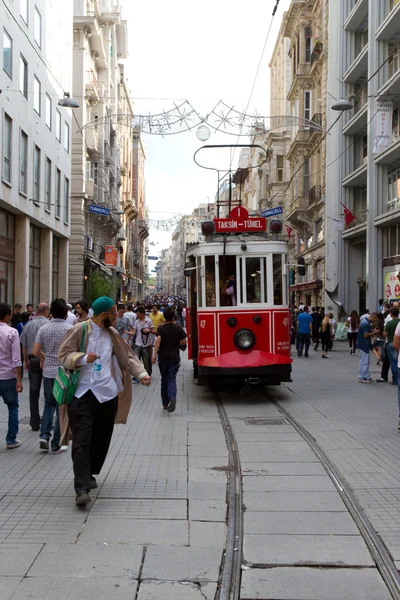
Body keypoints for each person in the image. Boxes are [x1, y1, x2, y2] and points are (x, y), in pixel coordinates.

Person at [58, 296, 151, 507]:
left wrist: (142, 374)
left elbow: (128, 357)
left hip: (107, 395)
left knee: (101, 438)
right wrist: (82, 358)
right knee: (81, 440)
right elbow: (63, 354)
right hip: (82, 393)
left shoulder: (112, 334)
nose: (117, 315)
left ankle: (89, 472)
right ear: (103, 314)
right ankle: (81, 487)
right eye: (114, 312)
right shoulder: (80, 330)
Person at [32, 298, 72, 453]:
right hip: (64, 372)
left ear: (51, 312)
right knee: (61, 407)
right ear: (66, 313)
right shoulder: (70, 329)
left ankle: (44, 435)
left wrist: (45, 357)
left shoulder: (44, 328)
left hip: (48, 371)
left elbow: (35, 352)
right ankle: (56, 443)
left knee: (48, 404)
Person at [20, 302, 49, 431]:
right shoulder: (49, 324)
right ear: (46, 311)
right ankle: (47, 420)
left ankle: (34, 421)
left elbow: (24, 346)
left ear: (37, 311)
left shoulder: (28, 325)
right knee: (48, 393)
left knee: (33, 391)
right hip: (47, 360)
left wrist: (26, 360)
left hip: (33, 359)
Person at [152, 307, 187, 412]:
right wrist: (176, 343)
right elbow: (184, 342)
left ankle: (165, 403)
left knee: (164, 379)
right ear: (173, 316)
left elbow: (158, 340)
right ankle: (172, 396)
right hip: (174, 358)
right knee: (172, 378)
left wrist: (154, 355)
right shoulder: (178, 328)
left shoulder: (161, 328)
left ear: (164, 317)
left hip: (163, 358)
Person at [0, 303, 23, 449]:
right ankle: (11, 439)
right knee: (13, 407)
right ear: (8, 315)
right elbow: (16, 358)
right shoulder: (12, 332)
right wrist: (19, 380)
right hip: (8, 376)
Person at [131, 306, 155, 376]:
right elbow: (134, 332)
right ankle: (137, 376)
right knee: (137, 361)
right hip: (137, 343)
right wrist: (127, 333)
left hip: (146, 344)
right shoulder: (136, 322)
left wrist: (149, 331)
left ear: (143, 314)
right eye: (137, 315)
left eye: (138, 314)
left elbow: (154, 331)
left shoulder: (149, 321)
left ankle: (148, 375)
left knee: (146, 361)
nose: (137, 316)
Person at [356, 312, 378, 383]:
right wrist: (374, 332)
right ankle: (362, 377)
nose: (375, 321)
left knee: (366, 361)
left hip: (363, 344)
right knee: (364, 362)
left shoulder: (365, 322)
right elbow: (365, 335)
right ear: (373, 317)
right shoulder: (366, 324)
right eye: (375, 320)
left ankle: (366, 376)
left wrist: (371, 331)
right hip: (364, 344)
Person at [384, 307, 400, 385]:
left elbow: (385, 334)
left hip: (391, 343)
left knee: (393, 362)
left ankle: (395, 379)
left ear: (391, 314)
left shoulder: (389, 323)